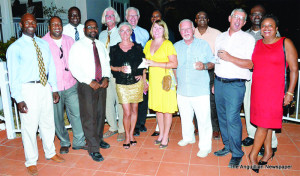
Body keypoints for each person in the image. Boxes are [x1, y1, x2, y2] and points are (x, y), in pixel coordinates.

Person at [6, 13, 65, 176]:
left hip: (44, 87)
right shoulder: (15, 48)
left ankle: (50, 152)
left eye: (33, 21)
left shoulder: (43, 44)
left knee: (47, 122)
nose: (31, 24)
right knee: (29, 127)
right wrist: (18, 98)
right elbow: (13, 76)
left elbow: (51, 67)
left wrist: (53, 89)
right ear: (21, 25)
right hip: (27, 89)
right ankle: (31, 161)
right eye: (27, 22)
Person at [249, 14, 298, 173]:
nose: (266, 28)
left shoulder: (285, 42)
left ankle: (252, 155)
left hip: (274, 91)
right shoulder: (257, 44)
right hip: (258, 90)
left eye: (270, 25)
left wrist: (290, 92)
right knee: (265, 123)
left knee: (263, 124)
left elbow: (294, 69)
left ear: (276, 29)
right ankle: (268, 151)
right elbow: (253, 64)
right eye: (264, 26)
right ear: (261, 30)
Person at [213, 8, 255, 168]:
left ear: (245, 22)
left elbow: (250, 64)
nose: (238, 20)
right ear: (229, 18)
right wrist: (214, 82)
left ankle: (237, 153)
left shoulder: (248, 39)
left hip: (235, 85)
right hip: (219, 82)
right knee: (222, 117)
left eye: (242, 18)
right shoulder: (220, 37)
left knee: (232, 119)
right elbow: (217, 60)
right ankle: (228, 146)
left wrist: (230, 58)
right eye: (235, 17)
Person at [42, 16, 86, 154]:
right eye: (54, 24)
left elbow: (76, 60)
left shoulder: (69, 40)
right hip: (53, 88)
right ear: (49, 27)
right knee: (57, 117)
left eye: (59, 24)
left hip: (71, 83)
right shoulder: (43, 43)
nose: (57, 26)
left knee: (77, 113)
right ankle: (64, 141)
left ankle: (79, 141)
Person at [69, 19, 111, 162]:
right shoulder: (77, 46)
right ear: (84, 29)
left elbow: (105, 62)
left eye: (95, 27)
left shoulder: (100, 45)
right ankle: (93, 148)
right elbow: (74, 67)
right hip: (87, 85)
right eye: (89, 27)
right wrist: (89, 81)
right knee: (89, 117)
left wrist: (106, 78)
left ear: (97, 30)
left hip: (101, 84)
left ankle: (98, 140)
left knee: (100, 114)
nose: (92, 29)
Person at [242, 5, 279, 156]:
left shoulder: (270, 32)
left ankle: (271, 143)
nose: (257, 17)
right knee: (249, 106)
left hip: (266, 79)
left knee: (268, 112)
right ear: (250, 17)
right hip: (249, 75)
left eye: (260, 15)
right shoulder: (244, 34)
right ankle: (253, 134)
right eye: (254, 14)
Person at [174, 19, 214, 158]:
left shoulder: (203, 44)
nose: (186, 32)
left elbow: (212, 62)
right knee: (185, 117)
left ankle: (205, 146)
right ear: (180, 32)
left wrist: (204, 65)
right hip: (182, 89)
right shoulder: (176, 46)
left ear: (193, 30)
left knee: (203, 120)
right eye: (182, 29)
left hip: (200, 90)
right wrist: (176, 82)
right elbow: (174, 66)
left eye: (188, 29)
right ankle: (188, 137)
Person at [110, 22, 147, 149]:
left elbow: (144, 65)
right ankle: (126, 136)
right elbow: (111, 67)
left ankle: (131, 135)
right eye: (122, 31)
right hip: (122, 84)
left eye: (127, 30)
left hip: (136, 83)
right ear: (119, 33)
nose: (125, 33)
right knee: (126, 112)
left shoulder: (137, 47)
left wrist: (144, 78)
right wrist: (120, 68)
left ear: (131, 32)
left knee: (134, 110)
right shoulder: (114, 49)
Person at [145, 20, 178, 149]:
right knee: (158, 108)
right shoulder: (148, 43)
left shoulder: (168, 44)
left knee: (167, 109)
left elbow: (174, 64)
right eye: (154, 27)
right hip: (153, 80)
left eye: (160, 28)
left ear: (164, 30)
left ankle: (165, 136)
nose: (157, 30)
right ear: (151, 29)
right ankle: (161, 134)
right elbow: (147, 61)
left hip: (165, 81)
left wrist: (154, 63)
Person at [194, 11, 221, 140]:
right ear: (195, 20)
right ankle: (198, 126)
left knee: (212, 101)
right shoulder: (190, 32)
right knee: (195, 99)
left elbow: (220, 55)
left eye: (204, 17)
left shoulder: (217, 34)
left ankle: (215, 128)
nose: (202, 19)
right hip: (194, 71)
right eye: (199, 17)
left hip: (211, 70)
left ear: (208, 20)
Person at [99, 7, 125, 142]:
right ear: (104, 18)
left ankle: (122, 129)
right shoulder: (102, 35)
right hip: (105, 73)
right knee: (108, 101)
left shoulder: (121, 32)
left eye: (112, 15)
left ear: (115, 18)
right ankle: (112, 127)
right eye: (107, 15)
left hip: (118, 71)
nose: (109, 17)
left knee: (120, 101)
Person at [125, 7, 150, 136]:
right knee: (130, 98)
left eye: (135, 16)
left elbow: (147, 54)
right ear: (126, 17)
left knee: (143, 97)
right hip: (127, 71)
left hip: (142, 70)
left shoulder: (145, 33)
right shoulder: (122, 31)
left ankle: (141, 123)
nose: (133, 18)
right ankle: (132, 126)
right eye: (130, 16)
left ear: (138, 17)